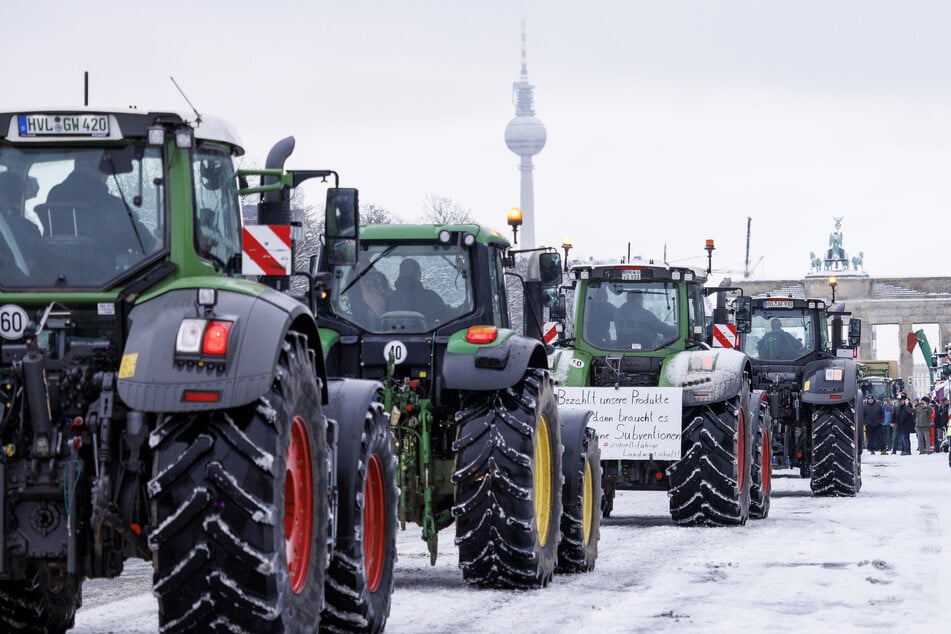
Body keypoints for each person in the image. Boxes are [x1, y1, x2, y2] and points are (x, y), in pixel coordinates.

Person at [43, 151, 154, 255]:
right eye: (104, 164)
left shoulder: (55, 196)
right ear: (83, 164)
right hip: (106, 273)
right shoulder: (111, 206)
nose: (108, 172)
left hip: (52, 271)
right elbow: (146, 243)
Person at [386, 257, 450, 325]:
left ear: (400, 274)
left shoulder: (390, 298)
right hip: (427, 335)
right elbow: (448, 319)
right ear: (419, 275)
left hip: (393, 335)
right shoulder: (431, 297)